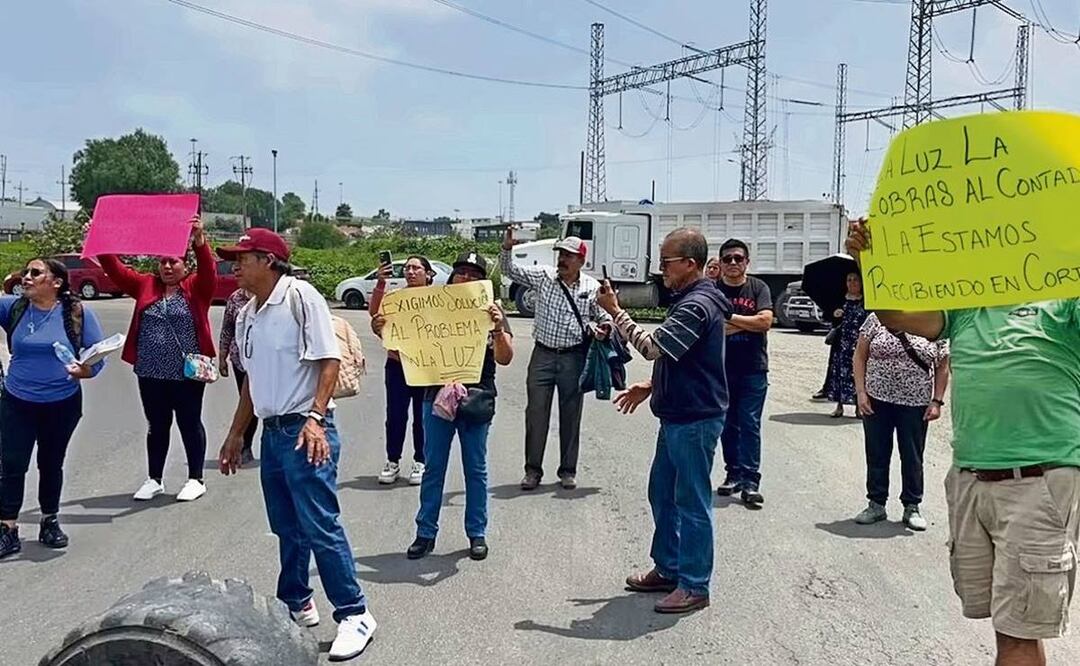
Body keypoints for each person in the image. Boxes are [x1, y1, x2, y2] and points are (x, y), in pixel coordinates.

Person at [847, 220, 1079, 666]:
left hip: (1039, 480)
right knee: (1011, 623)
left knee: (1017, 632)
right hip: (972, 477)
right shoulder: (968, 305)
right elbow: (896, 316)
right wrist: (868, 260)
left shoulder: (1066, 301)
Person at [216, 229, 375, 661]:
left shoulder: (300, 297)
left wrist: (316, 418)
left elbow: (329, 360)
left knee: (320, 524)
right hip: (273, 432)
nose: (234, 265)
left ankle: (355, 614)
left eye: (242, 257)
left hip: (306, 429)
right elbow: (250, 381)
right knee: (286, 525)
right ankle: (296, 602)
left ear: (268, 260)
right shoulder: (246, 313)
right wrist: (236, 433)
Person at [599, 228, 732, 614]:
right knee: (662, 492)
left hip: (694, 420)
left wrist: (615, 311)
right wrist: (651, 386)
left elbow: (653, 348)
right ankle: (669, 567)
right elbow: (683, 359)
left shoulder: (697, 305)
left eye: (666, 262)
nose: (661, 270)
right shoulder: (691, 300)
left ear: (689, 263)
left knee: (691, 502)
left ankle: (694, 584)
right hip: (677, 414)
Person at [377, 252, 513, 562]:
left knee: (475, 469)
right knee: (433, 467)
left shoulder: (493, 311)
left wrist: (496, 327)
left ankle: (476, 533)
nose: (465, 278)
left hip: (477, 397)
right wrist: (381, 325)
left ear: (482, 282)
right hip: (436, 396)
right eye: (460, 272)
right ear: (450, 278)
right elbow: (400, 340)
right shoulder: (432, 306)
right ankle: (425, 532)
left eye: (473, 275)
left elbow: (505, 357)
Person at [99, 217, 216, 502]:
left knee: (189, 422)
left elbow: (209, 271)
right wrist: (100, 240)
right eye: (162, 262)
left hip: (186, 373)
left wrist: (199, 241)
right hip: (150, 372)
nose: (167, 267)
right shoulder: (145, 285)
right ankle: (154, 479)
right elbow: (116, 271)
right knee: (157, 425)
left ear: (184, 265)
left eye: (173, 262)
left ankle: (196, 479)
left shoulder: (196, 287)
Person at [0, 258, 106, 558]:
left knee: (50, 463)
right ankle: (7, 528)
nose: (27, 277)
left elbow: (98, 356)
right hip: (17, 401)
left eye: (35, 273)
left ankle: (49, 521)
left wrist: (85, 371)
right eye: (25, 272)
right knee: (12, 465)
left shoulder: (76, 312)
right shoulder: (14, 308)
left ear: (56, 282)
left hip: (62, 403)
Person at [499, 229, 610, 490]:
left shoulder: (592, 287)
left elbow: (604, 316)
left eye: (569, 256)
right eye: (561, 254)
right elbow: (510, 270)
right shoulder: (544, 277)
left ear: (581, 260)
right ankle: (532, 471)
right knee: (536, 414)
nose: (562, 259)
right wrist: (506, 248)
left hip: (574, 358)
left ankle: (568, 471)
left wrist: (603, 328)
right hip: (543, 355)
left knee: (571, 415)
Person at [852, 313, 950, 531]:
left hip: (915, 402)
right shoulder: (878, 317)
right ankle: (876, 503)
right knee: (876, 452)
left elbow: (942, 364)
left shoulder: (932, 319)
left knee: (912, 455)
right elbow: (859, 355)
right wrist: (861, 392)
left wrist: (937, 400)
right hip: (876, 398)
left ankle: (912, 506)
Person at [713, 239, 773, 507]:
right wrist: (749, 323)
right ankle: (733, 474)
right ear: (720, 263)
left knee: (750, 423)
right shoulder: (713, 290)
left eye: (738, 258)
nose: (733, 263)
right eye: (727, 259)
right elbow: (713, 327)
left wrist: (731, 319)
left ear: (747, 261)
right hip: (720, 368)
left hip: (753, 368)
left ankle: (750, 482)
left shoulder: (758, 288)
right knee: (727, 423)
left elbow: (765, 322)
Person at [368, 255, 433, 486]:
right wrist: (380, 282)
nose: (411, 272)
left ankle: (420, 460)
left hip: (426, 365)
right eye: (407, 268)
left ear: (428, 273)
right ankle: (392, 460)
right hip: (397, 364)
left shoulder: (437, 299)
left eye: (416, 268)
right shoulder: (395, 298)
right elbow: (376, 314)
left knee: (422, 416)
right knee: (395, 415)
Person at [219, 282, 258, 467]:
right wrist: (222, 356)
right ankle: (246, 445)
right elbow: (227, 328)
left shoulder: (266, 296)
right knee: (248, 401)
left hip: (264, 361)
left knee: (263, 403)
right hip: (240, 361)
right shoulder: (235, 298)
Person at [826, 272, 868, 418]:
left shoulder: (866, 301)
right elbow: (829, 318)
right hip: (842, 344)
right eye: (849, 280)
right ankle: (839, 407)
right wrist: (835, 314)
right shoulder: (840, 300)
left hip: (859, 344)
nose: (852, 282)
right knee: (840, 374)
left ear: (861, 283)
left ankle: (858, 407)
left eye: (855, 280)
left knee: (858, 373)